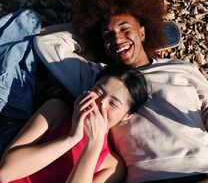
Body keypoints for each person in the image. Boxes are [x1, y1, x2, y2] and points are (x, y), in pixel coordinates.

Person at [32, 0, 208, 183]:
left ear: (143, 31)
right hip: (147, 178)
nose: (117, 38)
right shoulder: (98, 78)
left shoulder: (180, 69)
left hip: (205, 172)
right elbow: (47, 43)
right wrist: (95, 43)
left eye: (126, 30)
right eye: (108, 35)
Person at [0, 64, 149, 183]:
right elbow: (5, 172)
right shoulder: (56, 111)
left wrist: (94, 145)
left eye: (113, 103)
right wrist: (72, 138)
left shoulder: (112, 166)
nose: (100, 103)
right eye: (98, 91)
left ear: (126, 116)